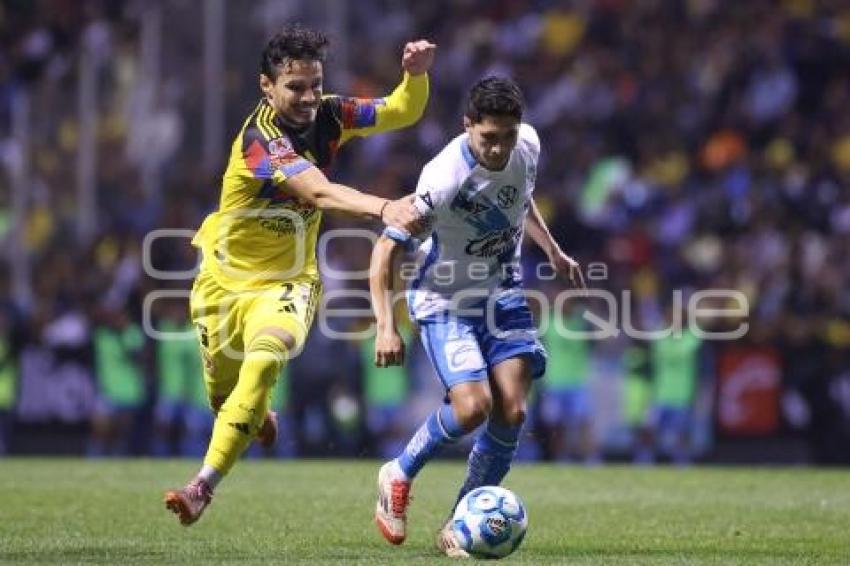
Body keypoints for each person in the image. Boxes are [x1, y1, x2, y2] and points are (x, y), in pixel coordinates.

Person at [164, 24, 434, 525]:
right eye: (295, 87)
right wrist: (384, 207)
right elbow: (319, 193)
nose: (310, 97)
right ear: (266, 86)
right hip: (222, 282)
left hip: (288, 280)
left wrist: (414, 77)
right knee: (224, 399)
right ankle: (252, 415)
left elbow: (401, 109)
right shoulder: (259, 139)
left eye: (315, 84)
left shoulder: (331, 113)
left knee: (264, 362)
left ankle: (202, 485)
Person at [368, 77, 584, 556]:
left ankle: (458, 523)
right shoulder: (441, 180)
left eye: (507, 135)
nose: (498, 148)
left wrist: (552, 249)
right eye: (489, 137)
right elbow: (385, 251)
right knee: (472, 407)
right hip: (443, 299)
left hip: (501, 291)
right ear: (467, 127)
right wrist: (386, 325)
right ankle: (398, 471)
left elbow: (519, 200)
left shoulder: (526, 146)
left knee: (514, 409)